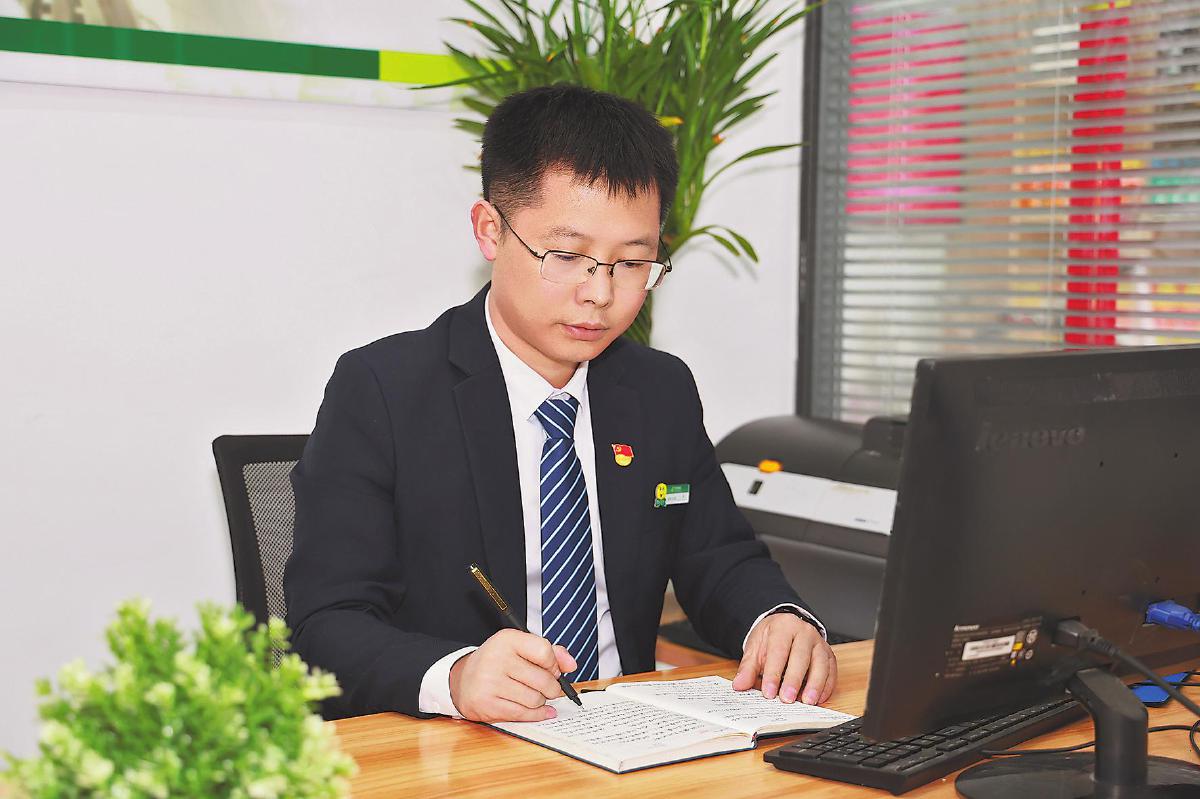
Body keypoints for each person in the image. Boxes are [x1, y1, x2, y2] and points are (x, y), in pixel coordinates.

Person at [284, 84, 837, 723]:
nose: (600, 293)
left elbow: (718, 556)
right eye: (568, 256)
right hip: (460, 746)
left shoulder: (658, 391)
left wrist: (777, 619)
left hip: (628, 732)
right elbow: (326, 624)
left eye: (632, 263)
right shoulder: (383, 389)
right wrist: (454, 676)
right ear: (490, 230)